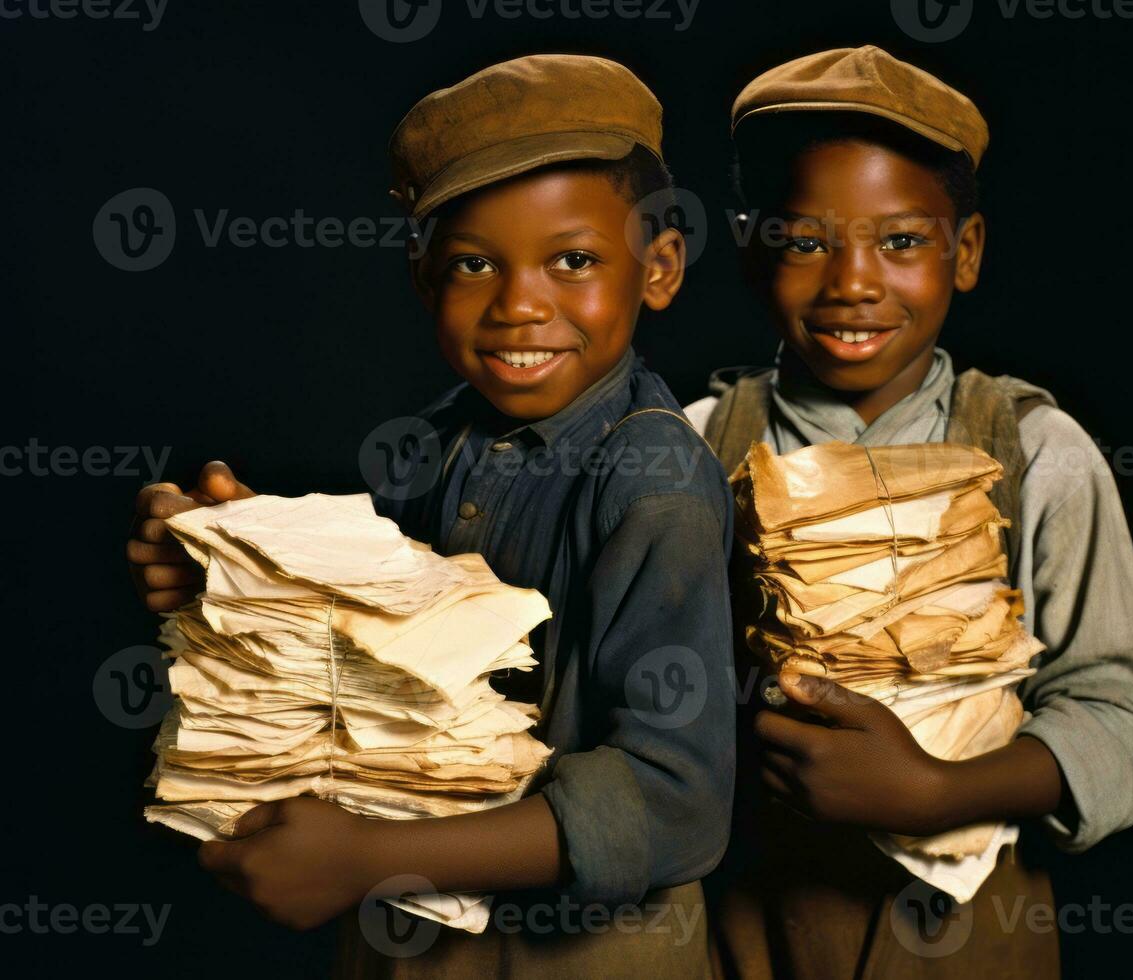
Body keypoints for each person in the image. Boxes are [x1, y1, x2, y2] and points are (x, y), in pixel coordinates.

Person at [127, 54, 734, 978]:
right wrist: (236, 557)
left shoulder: (654, 484)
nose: (520, 305)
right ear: (422, 279)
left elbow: (677, 802)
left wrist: (373, 856)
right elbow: (383, 614)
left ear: (658, 268)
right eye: (474, 263)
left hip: (587, 957)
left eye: (572, 260)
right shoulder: (435, 441)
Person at [685, 46, 1133, 978]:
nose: (853, 283)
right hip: (747, 929)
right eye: (804, 240)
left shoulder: (1038, 453)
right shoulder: (697, 445)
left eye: (902, 241)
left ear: (967, 252)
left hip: (969, 937)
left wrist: (936, 791)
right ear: (751, 247)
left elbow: (1123, 709)